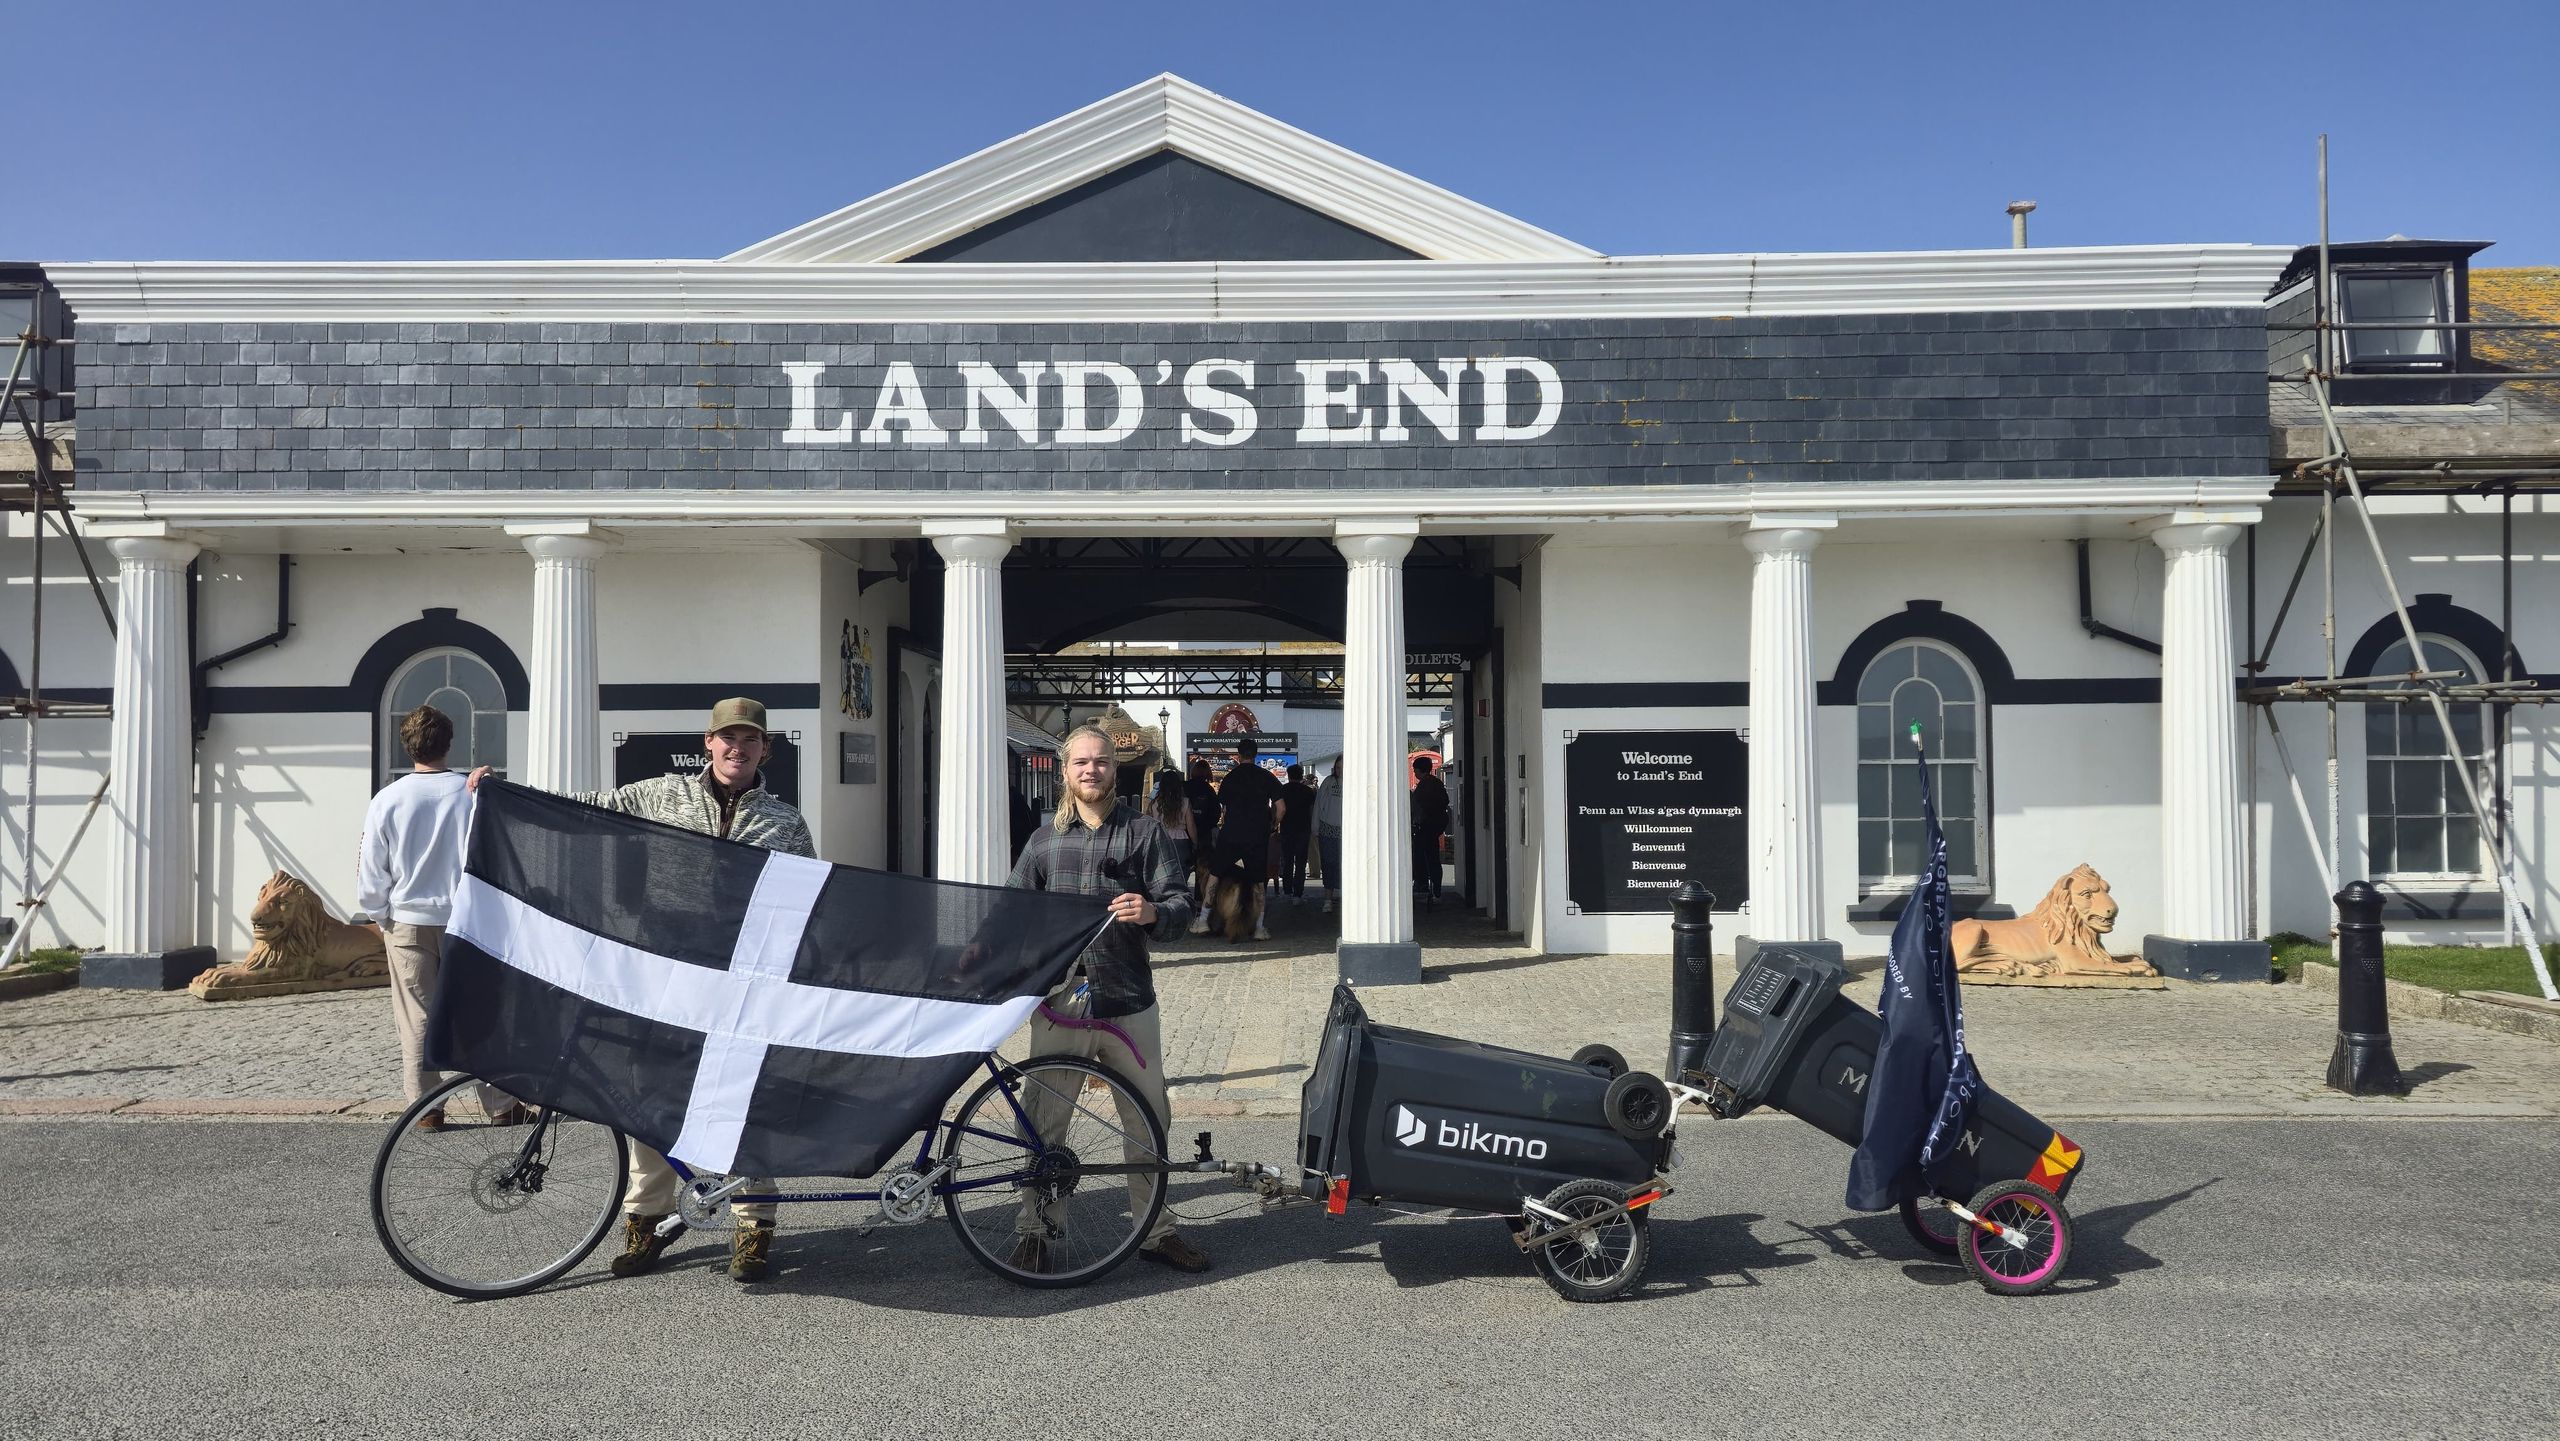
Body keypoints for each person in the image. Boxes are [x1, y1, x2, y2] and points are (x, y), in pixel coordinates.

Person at [469, 697, 814, 1285]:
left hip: (738, 982)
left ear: (765, 749)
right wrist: (507, 791)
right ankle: (645, 1218)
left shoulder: (785, 823)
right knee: (644, 1095)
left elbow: (805, 904)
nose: (738, 748)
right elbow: (587, 809)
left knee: (742, 1096)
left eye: (750, 739)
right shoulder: (662, 795)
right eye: (727, 737)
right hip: (662, 972)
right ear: (709, 742)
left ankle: (753, 1221)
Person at [1006, 725, 1211, 1274]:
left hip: (1128, 997)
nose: (1091, 770)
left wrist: (1153, 912)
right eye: (1080, 763)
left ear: (1114, 770)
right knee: (1044, 1121)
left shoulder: (1144, 834)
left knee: (1148, 1120)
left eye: (1100, 762)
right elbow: (1015, 915)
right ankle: (1038, 1231)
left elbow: (1181, 906)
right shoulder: (1043, 841)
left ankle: (1155, 1230)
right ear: (1065, 771)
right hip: (1063, 1004)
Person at [355, 704, 519, 1131]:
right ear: (449, 743)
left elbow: (373, 869)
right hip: (466, 917)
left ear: (406, 746)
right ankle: (500, 1103)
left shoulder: (387, 799)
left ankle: (427, 1107)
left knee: (417, 1016)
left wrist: (379, 913)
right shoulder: (471, 793)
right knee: (476, 1013)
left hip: (407, 917)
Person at [1196, 736, 1285, 942]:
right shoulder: (1266, 777)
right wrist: (1272, 825)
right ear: (1255, 754)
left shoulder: (1229, 778)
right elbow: (1281, 808)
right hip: (1257, 834)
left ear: (1238, 754)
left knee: (1215, 874)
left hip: (1232, 833)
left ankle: (1202, 920)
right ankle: (1259, 928)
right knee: (1258, 882)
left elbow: (1223, 809)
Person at [1410, 753, 1450, 906]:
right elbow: (1445, 801)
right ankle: (1436, 889)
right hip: (1436, 827)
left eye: (1415, 770)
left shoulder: (1423, 787)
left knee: (1421, 855)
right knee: (1433, 858)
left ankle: (1422, 883)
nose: (1414, 773)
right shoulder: (1437, 783)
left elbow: (1417, 807)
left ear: (1420, 770)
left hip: (1424, 827)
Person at [1278, 763, 1317, 904]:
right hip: (1303, 830)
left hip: (1287, 830)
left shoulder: (1282, 790)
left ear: (1288, 776)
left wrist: (1275, 824)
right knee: (1300, 863)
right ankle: (1298, 895)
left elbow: (1279, 810)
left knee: (1287, 861)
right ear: (1301, 776)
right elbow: (1311, 811)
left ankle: (1287, 891)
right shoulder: (1308, 791)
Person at [1313, 756, 1345, 915]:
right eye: (1338, 768)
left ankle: (1344, 896)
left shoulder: (1355, 782)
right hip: (1328, 828)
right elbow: (1318, 804)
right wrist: (1315, 827)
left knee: (1344, 864)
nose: (1340, 771)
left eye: (1343, 767)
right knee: (1328, 863)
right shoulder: (1328, 782)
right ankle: (1328, 899)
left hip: (1346, 830)